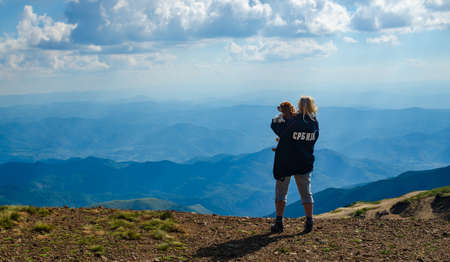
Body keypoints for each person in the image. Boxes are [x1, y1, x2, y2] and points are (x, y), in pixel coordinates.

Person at [270, 96, 319, 234]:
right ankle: (309, 222)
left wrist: (277, 119)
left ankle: (279, 222)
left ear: (299, 106)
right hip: (304, 162)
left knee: (281, 192)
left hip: (286, 162)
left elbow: (278, 129)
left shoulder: (293, 122)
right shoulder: (314, 123)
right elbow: (313, 140)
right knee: (306, 193)